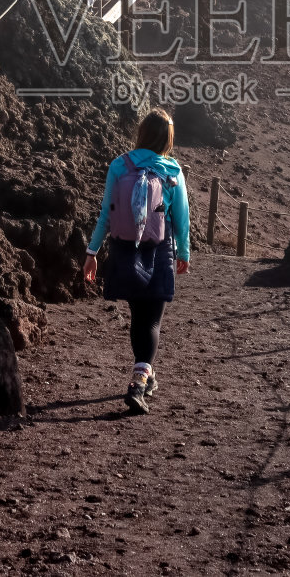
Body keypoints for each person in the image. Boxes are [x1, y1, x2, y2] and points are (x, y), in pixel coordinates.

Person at [83, 109, 190, 413]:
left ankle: (146, 374)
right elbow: (181, 219)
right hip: (159, 250)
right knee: (152, 319)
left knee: (138, 318)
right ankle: (139, 382)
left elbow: (106, 212)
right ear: (168, 137)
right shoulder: (172, 169)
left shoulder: (119, 164)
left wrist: (91, 253)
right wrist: (184, 253)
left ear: (141, 132)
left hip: (124, 248)